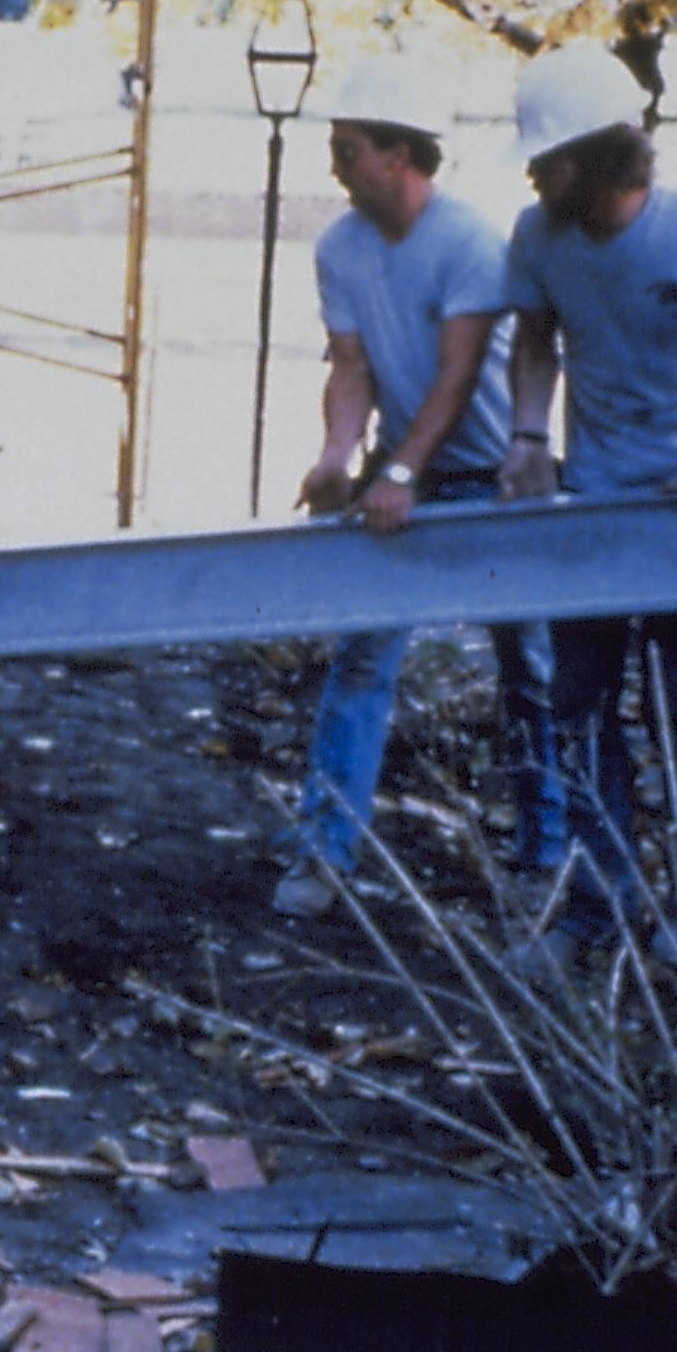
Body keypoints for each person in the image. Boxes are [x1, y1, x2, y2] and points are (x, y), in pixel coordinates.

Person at [273, 56, 566, 916]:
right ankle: (323, 851)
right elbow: (352, 365)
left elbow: (455, 370)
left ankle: (544, 852)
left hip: (486, 474)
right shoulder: (339, 246)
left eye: (349, 146)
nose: (334, 161)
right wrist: (338, 454)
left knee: (529, 664)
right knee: (361, 657)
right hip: (401, 471)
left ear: (400, 155)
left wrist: (400, 470)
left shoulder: (469, 242)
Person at [498, 43, 677, 956]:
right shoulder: (538, 237)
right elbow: (533, 341)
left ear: (597, 156)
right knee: (577, 700)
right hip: (597, 503)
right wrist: (529, 436)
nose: (534, 176)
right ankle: (596, 900)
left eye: (547, 160)